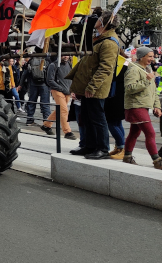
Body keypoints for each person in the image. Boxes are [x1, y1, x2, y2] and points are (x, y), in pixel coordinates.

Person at [66, 10, 121, 159]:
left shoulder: (109, 43)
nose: (96, 20)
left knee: (97, 118)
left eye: (100, 18)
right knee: (87, 117)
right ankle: (89, 146)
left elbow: (106, 68)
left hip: (95, 88)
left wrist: (92, 87)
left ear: (105, 23)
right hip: (88, 86)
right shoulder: (100, 39)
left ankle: (103, 149)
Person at [121, 46, 162, 168]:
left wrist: (157, 106)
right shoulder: (133, 70)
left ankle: (127, 156)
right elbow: (129, 88)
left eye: (152, 56)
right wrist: (146, 81)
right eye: (149, 56)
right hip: (135, 106)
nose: (152, 58)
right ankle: (157, 161)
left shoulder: (148, 70)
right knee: (150, 133)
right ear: (141, 57)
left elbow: (153, 91)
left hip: (143, 106)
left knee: (134, 132)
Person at [41, 55, 75, 139]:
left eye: (67, 54)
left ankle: (46, 125)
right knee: (64, 110)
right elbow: (50, 80)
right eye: (64, 54)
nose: (66, 56)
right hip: (57, 90)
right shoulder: (53, 65)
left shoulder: (69, 64)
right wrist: (60, 88)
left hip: (67, 91)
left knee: (60, 110)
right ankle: (67, 132)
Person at [20, 53, 50, 127]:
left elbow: (25, 74)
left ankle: (29, 120)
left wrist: (20, 84)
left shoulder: (31, 61)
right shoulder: (46, 59)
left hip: (33, 85)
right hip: (44, 85)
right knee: (45, 104)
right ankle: (46, 122)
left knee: (31, 102)